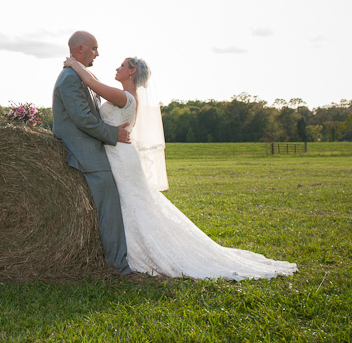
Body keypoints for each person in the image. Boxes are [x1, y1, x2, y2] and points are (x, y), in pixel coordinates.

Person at [64, 55, 298, 280]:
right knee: (131, 201)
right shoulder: (128, 95)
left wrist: (73, 62)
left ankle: (137, 251)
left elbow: (91, 83)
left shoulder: (126, 96)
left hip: (121, 157)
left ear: (132, 71)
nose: (117, 68)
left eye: (122, 65)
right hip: (118, 153)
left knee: (132, 202)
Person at [52, 31, 132, 274]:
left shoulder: (76, 75)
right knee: (109, 203)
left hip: (91, 148)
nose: (98, 53)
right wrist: (112, 133)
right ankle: (118, 266)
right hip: (83, 151)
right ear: (80, 49)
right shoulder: (69, 79)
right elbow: (83, 119)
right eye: (94, 48)